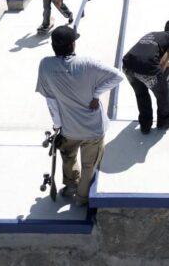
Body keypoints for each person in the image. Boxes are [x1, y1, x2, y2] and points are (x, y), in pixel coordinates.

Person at [35, 26, 125, 205]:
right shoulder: (87, 63)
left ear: (53, 46)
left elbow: (51, 101)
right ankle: (82, 198)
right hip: (93, 130)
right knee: (89, 165)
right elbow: (118, 76)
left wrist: (57, 126)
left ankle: (70, 186)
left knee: (68, 157)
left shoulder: (45, 65)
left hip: (68, 129)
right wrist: (96, 94)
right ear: (73, 44)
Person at [122, 19, 169, 134]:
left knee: (141, 94)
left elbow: (147, 53)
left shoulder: (153, 35)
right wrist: (160, 80)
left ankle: (145, 125)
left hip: (127, 66)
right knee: (163, 92)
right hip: (147, 68)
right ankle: (164, 120)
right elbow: (162, 62)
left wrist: (167, 65)